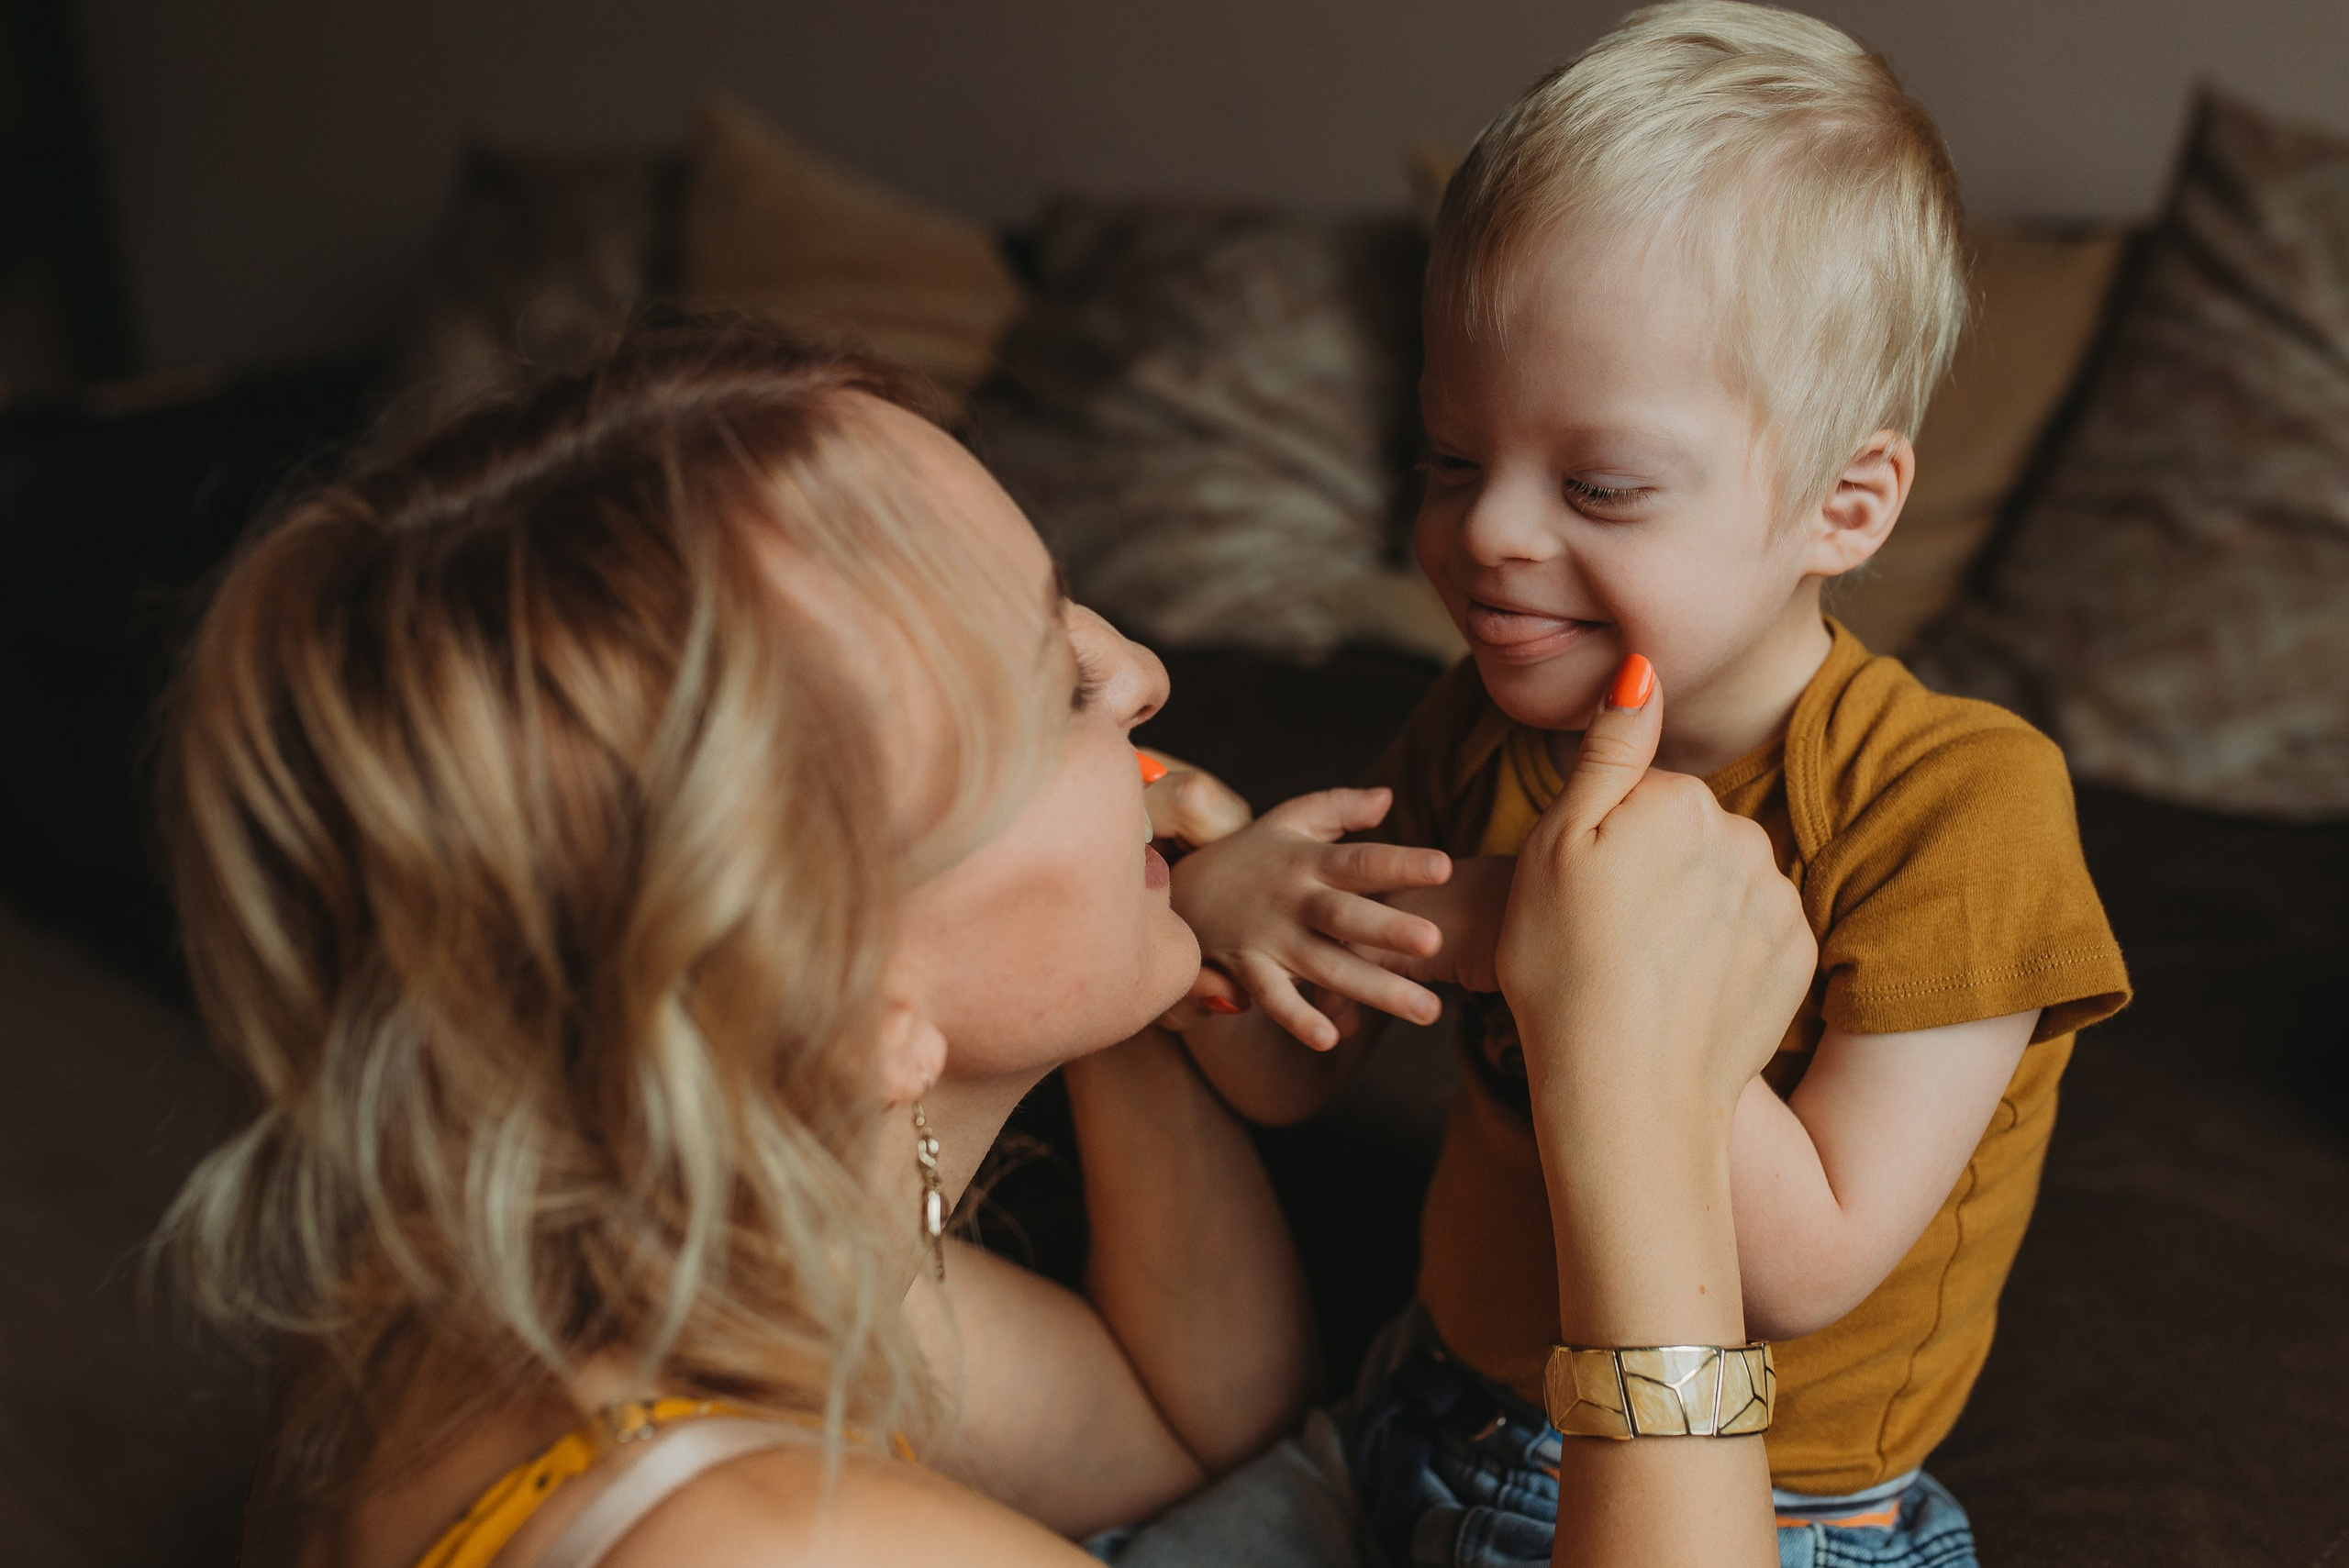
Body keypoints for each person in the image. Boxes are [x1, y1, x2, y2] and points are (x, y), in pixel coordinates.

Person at [156, 317, 1812, 1568]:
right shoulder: (775, 1549)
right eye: (1051, 683)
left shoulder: (652, 1267)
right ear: (847, 995)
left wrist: (1127, 960)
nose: (1144, 672)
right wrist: (1639, 1112)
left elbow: (1183, 1427)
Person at [1175, 5, 2132, 1563]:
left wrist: (1536, 940)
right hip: (1416, 1413)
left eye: (1599, 485)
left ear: (1847, 502)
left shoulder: (1958, 807)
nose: (1490, 531)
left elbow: (1811, 1258)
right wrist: (1221, 923)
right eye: (1445, 458)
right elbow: (1294, 1074)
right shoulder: (1477, 727)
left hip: (1759, 1504)